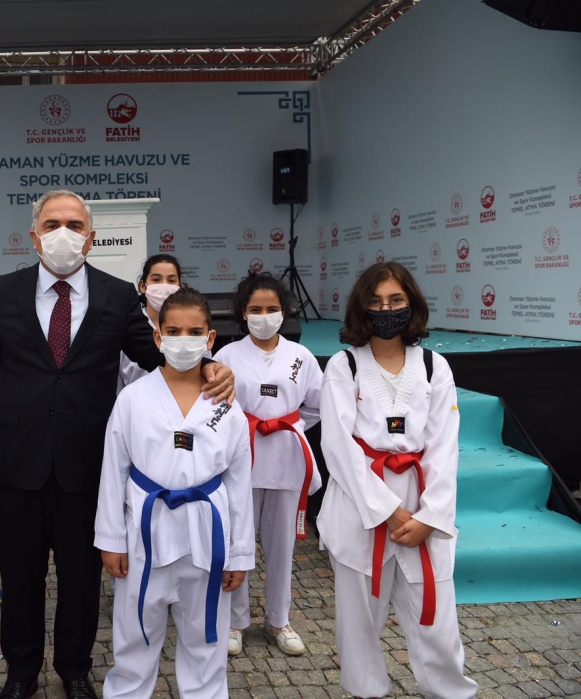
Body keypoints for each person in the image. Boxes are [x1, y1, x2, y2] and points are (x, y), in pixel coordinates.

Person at [0, 190, 235, 699]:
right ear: (34, 237)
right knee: (21, 578)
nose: (63, 234)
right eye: (52, 224)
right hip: (16, 467)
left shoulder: (117, 295)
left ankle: (74, 669)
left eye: (74, 225)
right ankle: (21, 673)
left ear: (91, 238)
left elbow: (155, 356)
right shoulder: (4, 291)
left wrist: (208, 366)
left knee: (80, 580)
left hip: (88, 467)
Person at [317, 261, 477, 699]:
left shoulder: (434, 366)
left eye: (396, 300)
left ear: (412, 304)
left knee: (437, 622)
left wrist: (431, 515)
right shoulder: (344, 366)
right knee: (359, 624)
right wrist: (386, 510)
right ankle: (366, 691)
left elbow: (444, 446)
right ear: (361, 307)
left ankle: (450, 692)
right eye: (376, 301)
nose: (386, 309)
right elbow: (338, 446)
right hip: (360, 506)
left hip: (422, 503)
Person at [96, 287, 253, 699]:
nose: (184, 340)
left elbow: (239, 483)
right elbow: (113, 471)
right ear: (158, 336)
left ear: (210, 338)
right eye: (174, 331)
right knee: (135, 635)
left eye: (195, 332)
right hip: (144, 533)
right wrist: (111, 540)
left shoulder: (226, 404)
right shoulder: (132, 398)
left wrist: (239, 553)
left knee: (206, 638)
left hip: (207, 534)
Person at [213, 272, 322, 657]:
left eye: (271, 308)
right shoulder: (226, 356)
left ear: (284, 311)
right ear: (243, 313)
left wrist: (286, 425)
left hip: (285, 457)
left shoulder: (301, 357)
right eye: (255, 309)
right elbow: (214, 405)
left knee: (282, 546)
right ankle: (235, 621)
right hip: (240, 457)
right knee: (237, 542)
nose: (264, 316)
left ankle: (279, 619)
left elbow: (316, 405)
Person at [118, 254, 181, 392]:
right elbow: (117, 385)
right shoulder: (126, 329)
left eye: (171, 280)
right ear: (143, 286)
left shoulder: (193, 329)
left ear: (179, 286)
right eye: (156, 280)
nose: (164, 286)